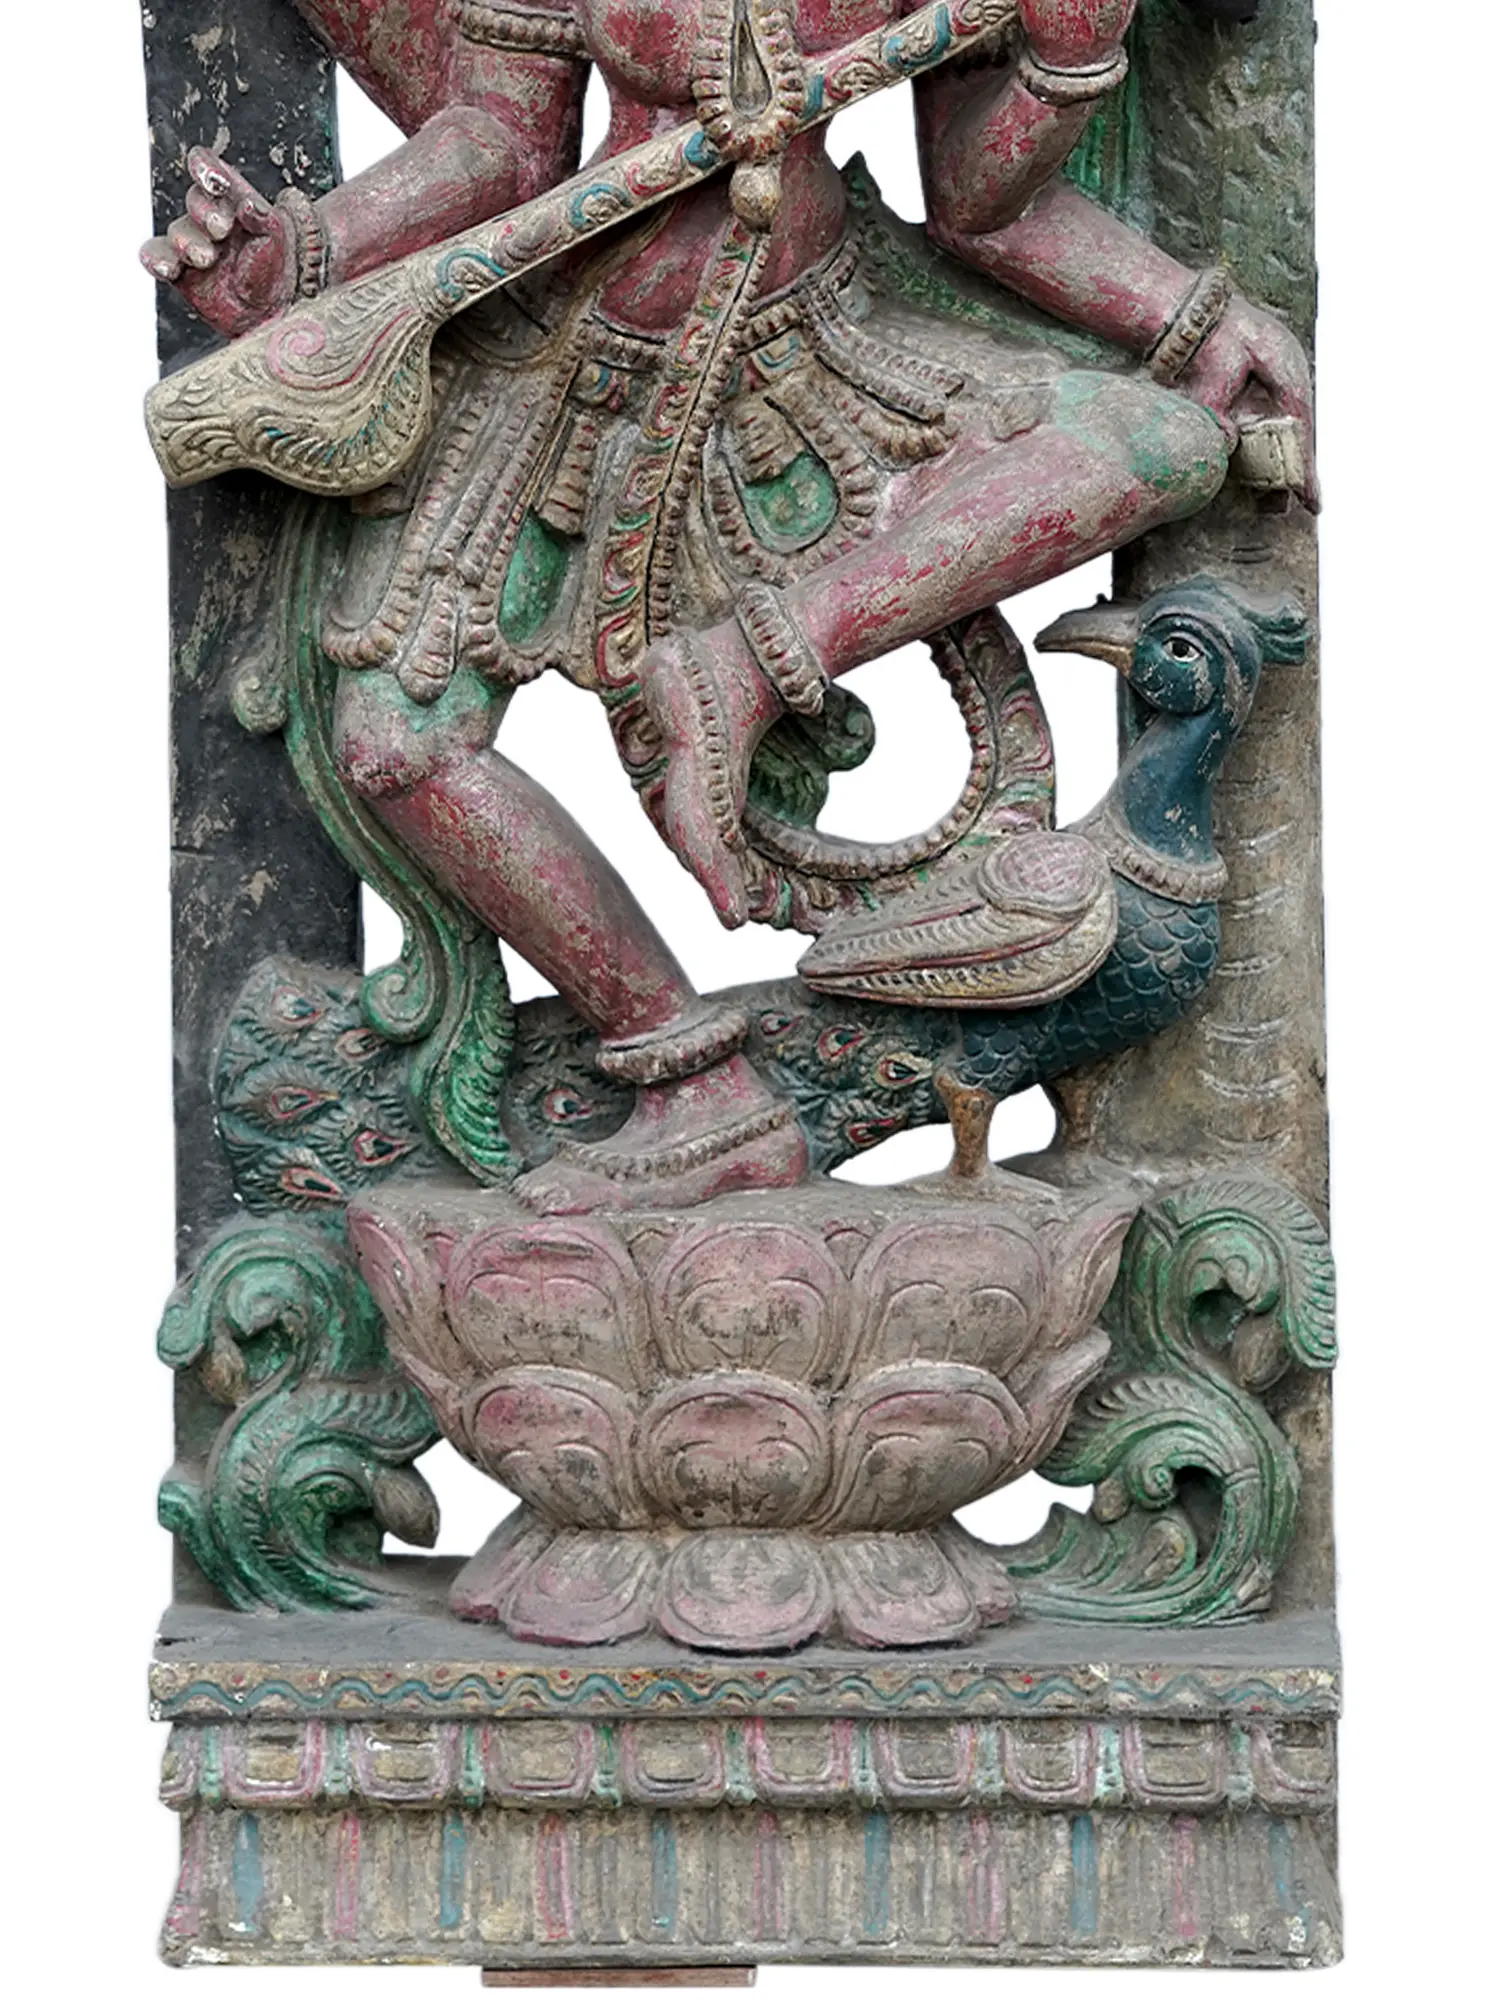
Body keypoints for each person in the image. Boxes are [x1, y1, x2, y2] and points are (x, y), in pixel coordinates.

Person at [144, 0, 1314, 1213]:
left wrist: (1093, 106)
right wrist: (311, 254)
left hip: (822, 353)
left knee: (1164, 444)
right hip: (575, 363)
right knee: (395, 743)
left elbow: (987, 205)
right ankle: (687, 1073)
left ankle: (752, 661)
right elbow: (501, 140)